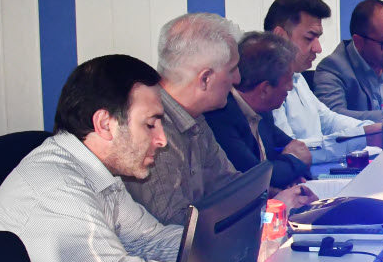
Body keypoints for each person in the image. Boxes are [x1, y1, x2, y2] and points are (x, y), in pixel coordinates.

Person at [0, 55, 183, 262]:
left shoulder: (96, 174)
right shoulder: (56, 186)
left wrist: (219, 251)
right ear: (105, 124)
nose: (162, 140)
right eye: (150, 124)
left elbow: (149, 241)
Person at [126, 13, 313, 225]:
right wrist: (272, 209)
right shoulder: (151, 132)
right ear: (205, 79)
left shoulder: (196, 118)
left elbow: (230, 185)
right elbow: (176, 226)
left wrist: (276, 196)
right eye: (232, 70)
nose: (238, 79)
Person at [205, 31, 314, 192]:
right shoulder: (221, 117)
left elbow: (299, 152)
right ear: (264, 90)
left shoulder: (263, 111)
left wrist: (289, 174)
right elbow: (257, 176)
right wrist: (292, 162)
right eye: (288, 79)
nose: (291, 87)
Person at [264, 0, 373, 145]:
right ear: (280, 36)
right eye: (309, 38)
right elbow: (291, 149)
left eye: (318, 38)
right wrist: (359, 139)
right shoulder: (265, 85)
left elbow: (328, 120)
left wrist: (370, 129)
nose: (318, 48)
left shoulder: (297, 76)